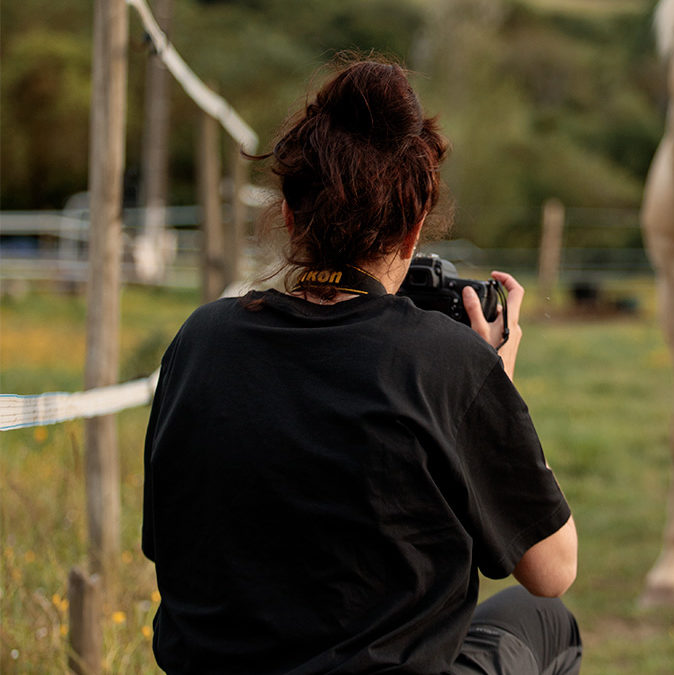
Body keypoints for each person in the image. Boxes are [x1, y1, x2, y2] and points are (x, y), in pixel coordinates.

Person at [142, 55, 581, 675]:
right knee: (546, 621)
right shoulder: (448, 366)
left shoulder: (198, 340)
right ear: (413, 229)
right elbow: (553, 570)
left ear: (291, 215)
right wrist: (497, 388)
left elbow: (168, 548)